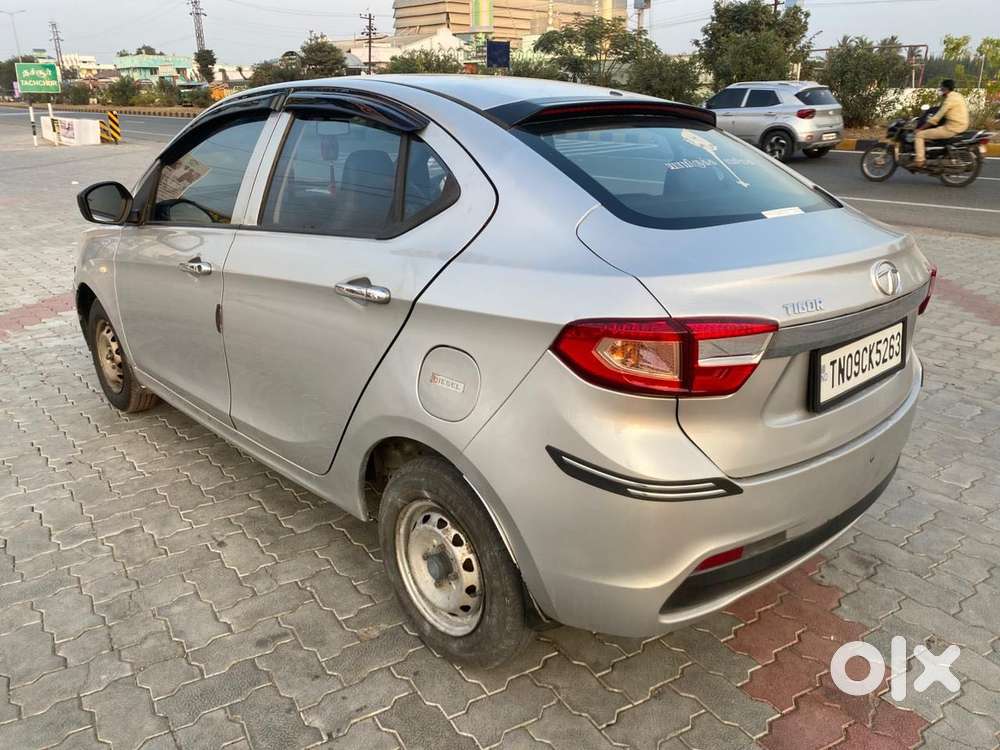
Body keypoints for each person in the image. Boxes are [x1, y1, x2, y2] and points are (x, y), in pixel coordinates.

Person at [914, 79, 969, 167]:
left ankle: (920, 161)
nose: (940, 89)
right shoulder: (957, 95)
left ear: (945, 89)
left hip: (952, 128)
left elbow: (936, 118)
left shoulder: (949, 100)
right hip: (962, 125)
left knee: (919, 135)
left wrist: (920, 128)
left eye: (941, 87)